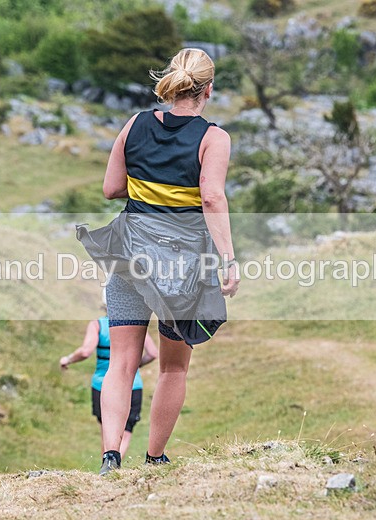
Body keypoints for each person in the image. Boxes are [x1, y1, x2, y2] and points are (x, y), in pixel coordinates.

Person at [95, 48, 240, 474]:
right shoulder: (214, 138)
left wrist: (148, 193)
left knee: (121, 362)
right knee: (173, 367)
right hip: (181, 266)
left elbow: (110, 188)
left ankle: (109, 457)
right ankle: (155, 458)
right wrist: (228, 260)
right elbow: (212, 197)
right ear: (208, 89)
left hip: (128, 253)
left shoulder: (135, 125)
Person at [60, 288, 158, 459]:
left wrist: (67, 360)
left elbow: (85, 351)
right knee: (126, 431)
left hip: (103, 385)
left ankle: (109, 465)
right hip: (133, 385)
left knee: (108, 431)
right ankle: (115, 465)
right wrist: (133, 366)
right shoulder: (135, 325)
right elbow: (152, 353)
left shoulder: (97, 325)